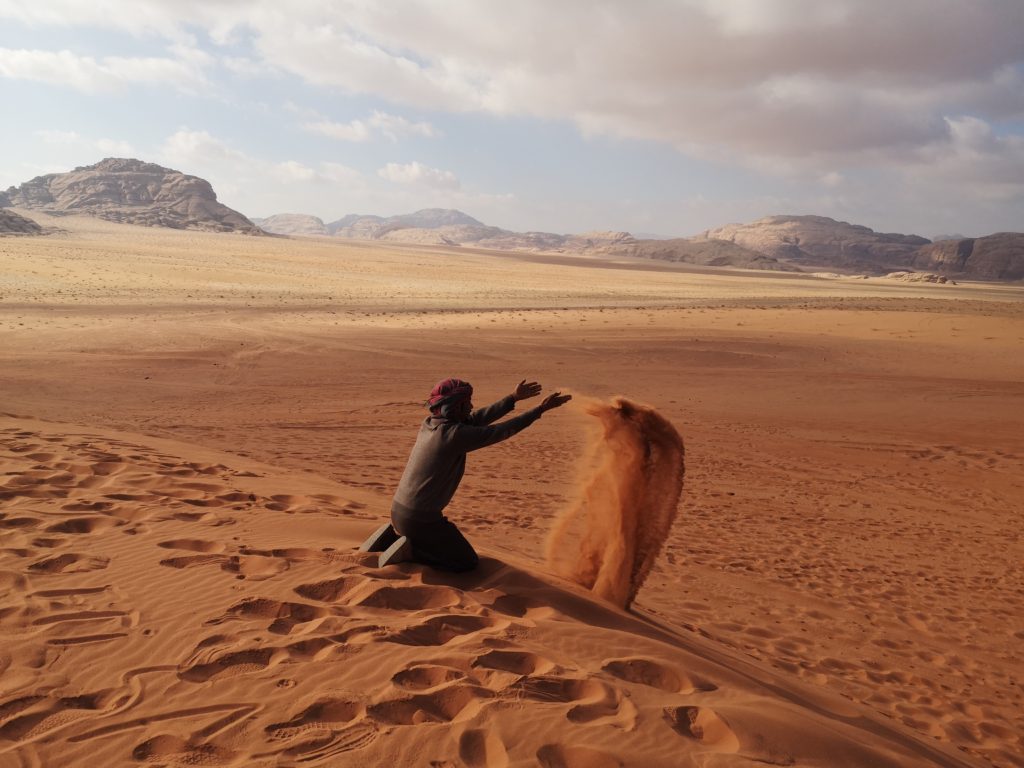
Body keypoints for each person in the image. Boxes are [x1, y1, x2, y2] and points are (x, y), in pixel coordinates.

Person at [359, 377, 571, 570]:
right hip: (421, 520)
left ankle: (388, 540)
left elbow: (476, 419)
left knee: (446, 546)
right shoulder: (453, 437)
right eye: (466, 403)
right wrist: (540, 410)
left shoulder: (430, 425)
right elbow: (498, 431)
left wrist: (513, 398)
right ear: (454, 406)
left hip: (398, 512)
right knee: (466, 561)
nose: (471, 406)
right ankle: (410, 552)